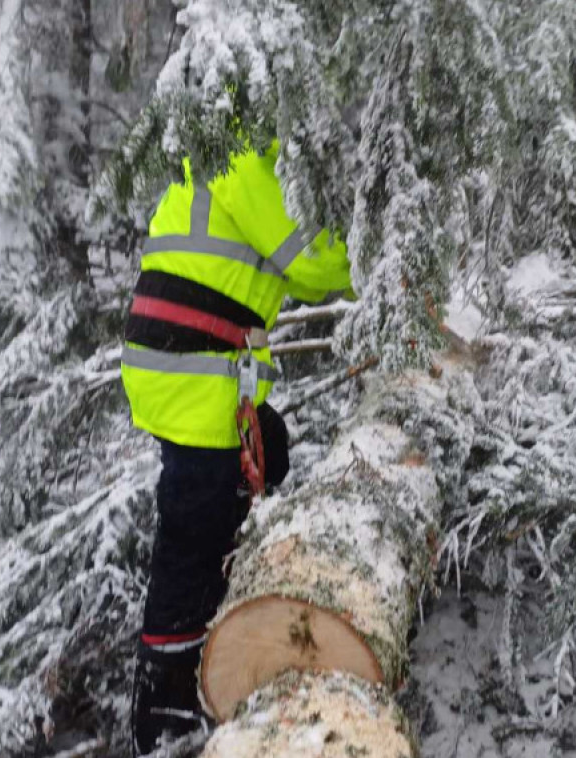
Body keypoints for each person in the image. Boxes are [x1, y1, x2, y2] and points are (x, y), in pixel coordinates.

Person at [120, 139, 352, 755]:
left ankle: (215, 649)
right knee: (195, 534)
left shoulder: (224, 138)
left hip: (191, 363)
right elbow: (309, 263)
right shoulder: (245, 152)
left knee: (263, 459)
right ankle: (165, 710)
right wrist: (388, 244)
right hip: (192, 369)